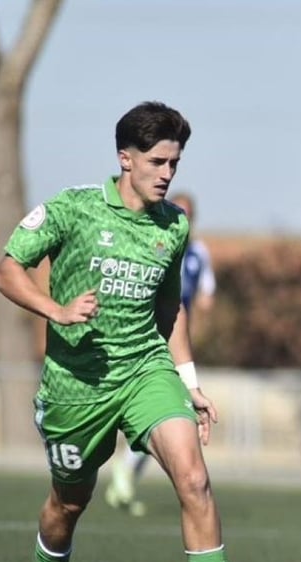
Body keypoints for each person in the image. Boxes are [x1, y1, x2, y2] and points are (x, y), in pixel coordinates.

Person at [0, 101, 264, 562]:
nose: (167, 173)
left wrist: (188, 381)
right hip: (77, 383)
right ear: (125, 158)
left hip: (145, 369)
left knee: (193, 477)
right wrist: (56, 309)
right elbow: (6, 270)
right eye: (158, 161)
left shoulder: (174, 226)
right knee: (70, 503)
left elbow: (172, 309)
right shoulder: (73, 210)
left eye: (175, 163)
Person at [105, 190, 217, 516]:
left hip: (176, 341)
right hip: (145, 340)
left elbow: (207, 296)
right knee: (165, 413)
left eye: (188, 212)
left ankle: (122, 483)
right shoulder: (149, 239)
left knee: (169, 413)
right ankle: (122, 473)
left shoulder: (198, 252)